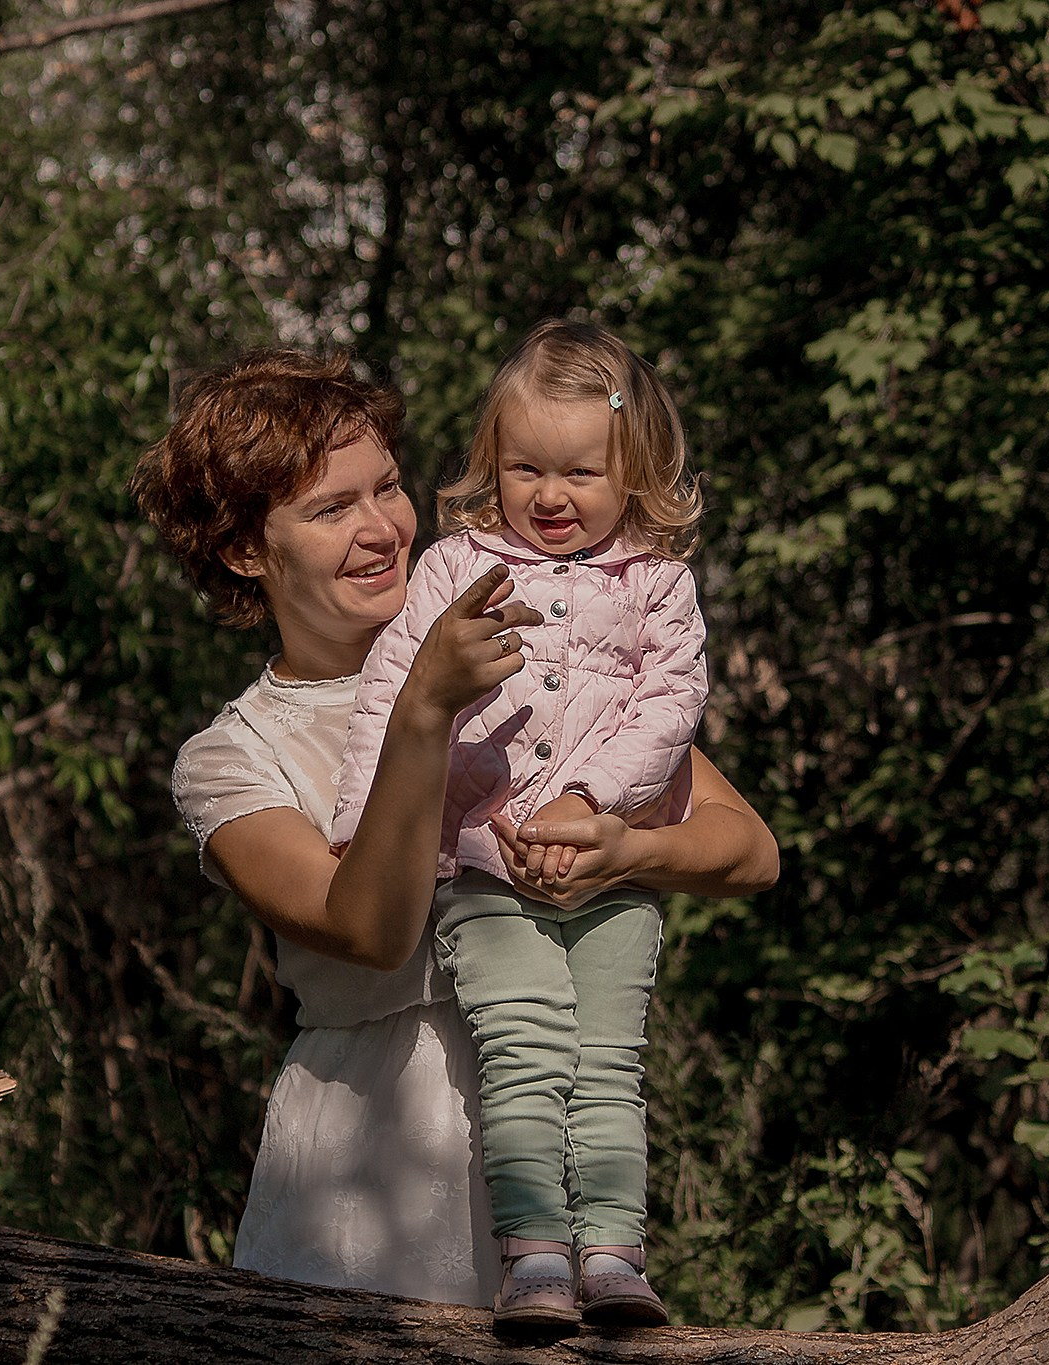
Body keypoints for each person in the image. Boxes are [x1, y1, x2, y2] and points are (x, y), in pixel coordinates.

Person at [132, 346, 777, 1313]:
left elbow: (751, 850)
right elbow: (371, 929)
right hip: (366, 1157)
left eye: (385, 487)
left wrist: (630, 851)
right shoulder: (231, 757)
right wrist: (423, 710)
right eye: (329, 508)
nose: (379, 528)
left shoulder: (539, 643)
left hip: (549, 1137)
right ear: (245, 551)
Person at [331, 320, 703, 1329]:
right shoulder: (455, 569)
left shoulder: (657, 586)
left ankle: (615, 1252)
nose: (549, 494)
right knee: (528, 1048)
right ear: (490, 463)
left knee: (607, 1059)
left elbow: (670, 706)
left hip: (611, 876)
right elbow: (390, 695)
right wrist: (358, 817)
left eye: (580, 472)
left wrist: (596, 804)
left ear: (632, 473)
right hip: (485, 869)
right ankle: (535, 1253)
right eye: (524, 466)